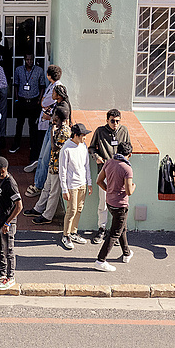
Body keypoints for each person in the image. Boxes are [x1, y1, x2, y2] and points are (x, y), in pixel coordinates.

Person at [88, 108, 131, 244]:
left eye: (118, 121)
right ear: (107, 120)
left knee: (120, 204)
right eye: (112, 121)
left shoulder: (124, 131)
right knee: (103, 202)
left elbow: (129, 148)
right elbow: (91, 148)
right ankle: (102, 228)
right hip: (105, 170)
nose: (115, 123)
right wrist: (97, 157)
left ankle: (116, 232)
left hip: (120, 173)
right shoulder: (100, 131)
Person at [22, 108, 70, 225]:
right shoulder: (59, 129)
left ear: (58, 117)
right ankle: (38, 209)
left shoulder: (64, 131)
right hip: (52, 165)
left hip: (59, 168)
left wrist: (52, 133)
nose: (52, 117)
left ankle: (47, 216)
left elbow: (55, 148)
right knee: (46, 188)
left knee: (53, 192)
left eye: (54, 115)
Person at [93, 141, 135, 272]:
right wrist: (134, 186)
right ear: (130, 154)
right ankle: (101, 260)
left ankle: (126, 253)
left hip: (110, 202)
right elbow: (129, 191)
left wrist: (109, 190)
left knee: (121, 228)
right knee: (115, 233)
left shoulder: (109, 162)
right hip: (121, 205)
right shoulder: (127, 168)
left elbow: (99, 181)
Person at [25, 79, 69, 200]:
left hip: (54, 134)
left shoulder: (63, 107)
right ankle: (38, 183)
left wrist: (48, 118)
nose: (52, 94)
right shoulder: (58, 104)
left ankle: (38, 186)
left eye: (53, 92)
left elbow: (62, 122)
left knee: (44, 159)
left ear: (58, 95)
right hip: (50, 131)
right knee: (41, 157)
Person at [0, 156, 21, 290]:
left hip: (7, 223)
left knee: (8, 250)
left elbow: (19, 206)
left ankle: (10, 277)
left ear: (2, 170)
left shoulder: (10, 184)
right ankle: (1, 273)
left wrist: (8, 223)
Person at [59, 123, 92, 250]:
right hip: (71, 185)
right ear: (76, 135)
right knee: (71, 210)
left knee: (79, 209)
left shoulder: (83, 146)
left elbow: (86, 165)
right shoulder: (66, 149)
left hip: (82, 183)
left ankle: (73, 232)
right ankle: (65, 235)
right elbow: (62, 170)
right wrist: (64, 189)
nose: (85, 138)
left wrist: (89, 182)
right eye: (83, 135)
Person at [11, 55, 46, 158]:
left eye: (31, 59)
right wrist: (17, 99)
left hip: (34, 101)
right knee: (19, 124)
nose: (29, 61)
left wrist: (39, 100)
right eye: (27, 59)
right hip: (22, 101)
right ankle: (16, 144)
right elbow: (16, 85)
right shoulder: (19, 70)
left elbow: (42, 86)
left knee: (33, 125)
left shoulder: (39, 70)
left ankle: (32, 145)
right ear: (24, 60)